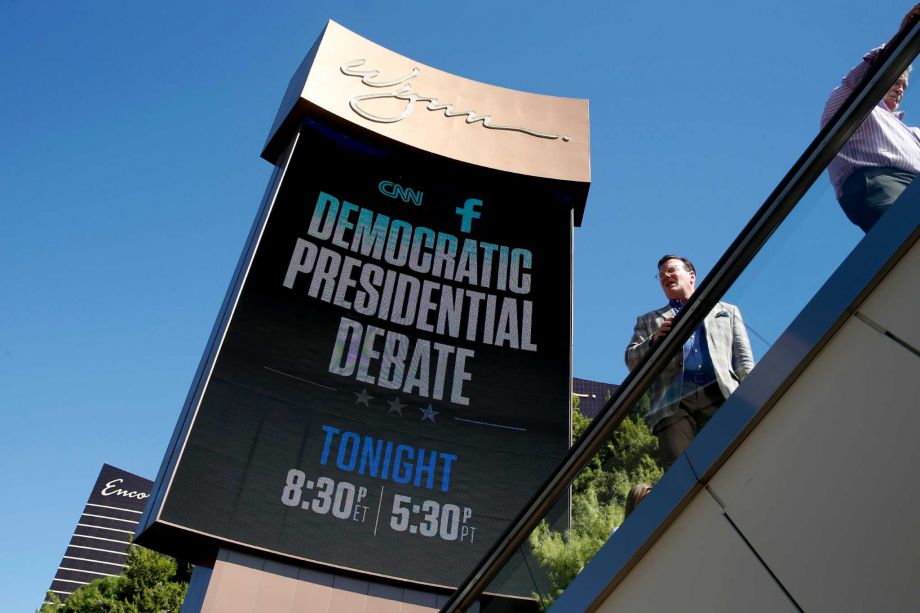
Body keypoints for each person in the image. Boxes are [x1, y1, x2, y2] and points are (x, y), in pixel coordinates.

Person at [625, 256, 754, 469]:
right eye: (661, 275)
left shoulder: (726, 311)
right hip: (673, 404)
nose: (665, 276)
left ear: (691, 276)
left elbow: (744, 360)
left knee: (736, 460)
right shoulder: (649, 320)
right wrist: (654, 341)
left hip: (720, 395)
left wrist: (753, 398)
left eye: (671, 270)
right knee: (681, 473)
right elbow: (631, 361)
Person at [822, 4, 920, 232]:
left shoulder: (912, 133)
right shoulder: (856, 103)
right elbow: (868, 71)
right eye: (896, 81)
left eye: (904, 86)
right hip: (883, 182)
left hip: (913, 183)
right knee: (906, 237)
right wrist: (906, 36)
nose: (900, 89)